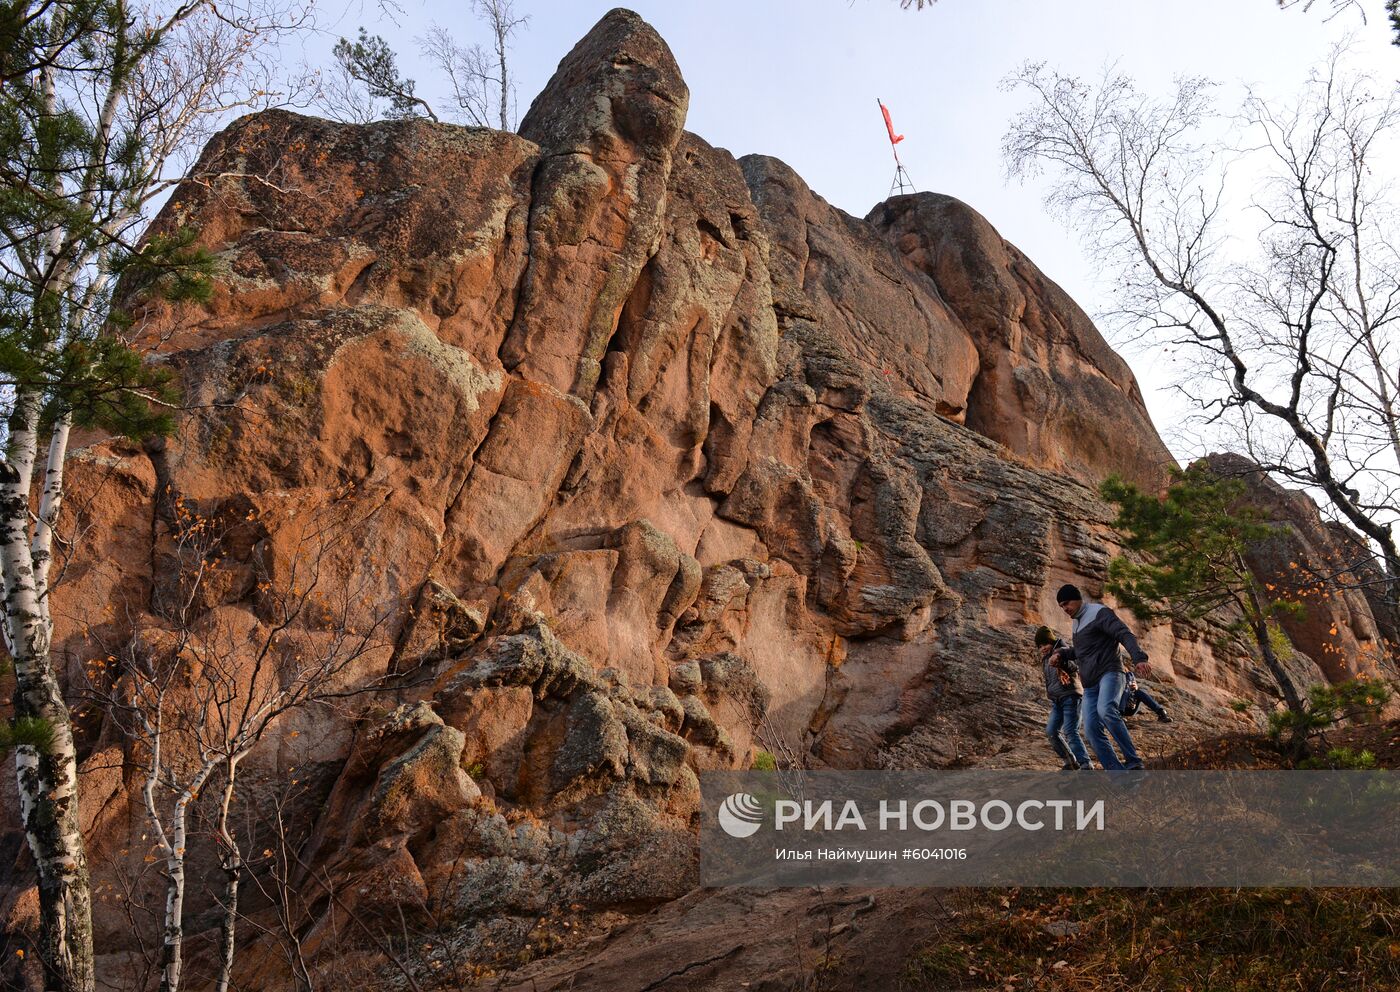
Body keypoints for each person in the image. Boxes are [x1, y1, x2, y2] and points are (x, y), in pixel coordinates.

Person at [1049, 584, 1150, 771]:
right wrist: (1062, 654)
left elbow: (1124, 634)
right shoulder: (1076, 622)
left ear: (1078, 598)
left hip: (1110, 673)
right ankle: (1117, 775)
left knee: (1106, 710)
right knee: (1091, 730)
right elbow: (1081, 652)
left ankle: (1134, 762)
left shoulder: (1099, 612)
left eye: (1067, 603)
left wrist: (1139, 658)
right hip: (1090, 685)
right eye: (1061, 606)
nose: (1065, 609)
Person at [1034, 625, 1093, 770]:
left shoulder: (1063, 650)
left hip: (1071, 696)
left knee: (1070, 731)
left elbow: (1074, 667)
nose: (1043, 648)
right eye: (1040, 646)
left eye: (1045, 644)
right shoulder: (1046, 659)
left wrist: (1062, 661)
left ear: (1052, 641)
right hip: (1057, 700)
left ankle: (1086, 764)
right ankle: (1070, 761)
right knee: (1051, 731)